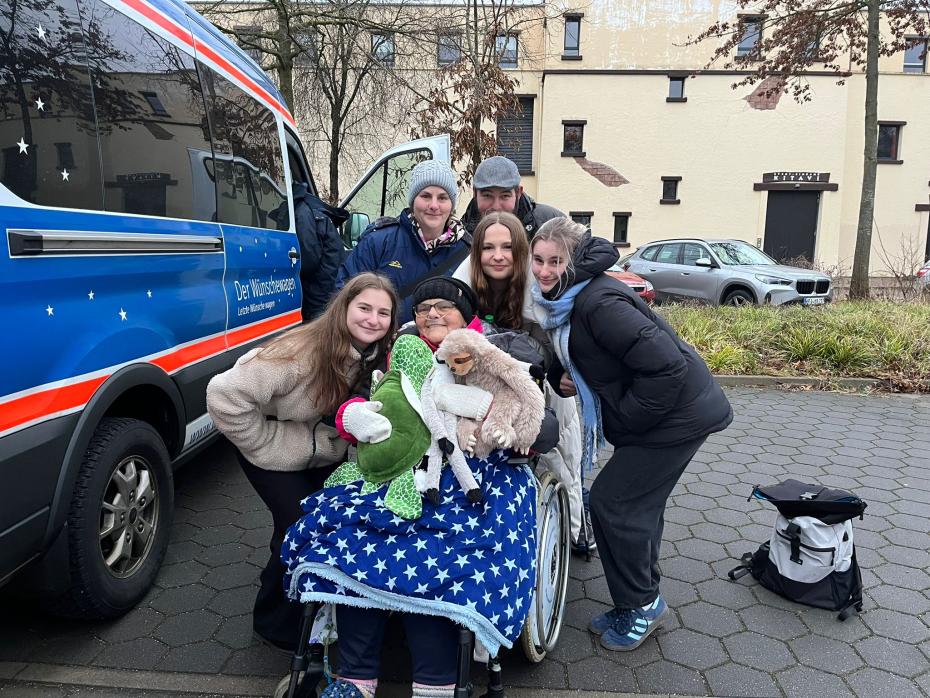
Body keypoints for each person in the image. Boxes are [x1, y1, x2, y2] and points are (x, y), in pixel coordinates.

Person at [282, 276, 541, 698]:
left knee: (439, 552)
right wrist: (355, 416)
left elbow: (538, 419)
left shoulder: (494, 350)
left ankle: (435, 684)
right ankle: (354, 678)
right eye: (423, 308)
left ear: (466, 314)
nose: (433, 314)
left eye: (444, 306)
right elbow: (366, 396)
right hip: (397, 472)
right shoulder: (401, 350)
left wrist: (501, 425)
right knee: (351, 538)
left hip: (470, 475)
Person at [528, 218, 733, 652]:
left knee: (613, 503)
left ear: (575, 262)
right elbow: (588, 356)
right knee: (638, 506)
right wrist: (564, 375)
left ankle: (643, 605)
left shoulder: (598, 303)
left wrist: (626, 416)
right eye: (539, 260)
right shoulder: (569, 299)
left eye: (555, 261)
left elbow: (667, 368)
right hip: (664, 413)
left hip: (677, 416)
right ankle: (637, 599)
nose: (544, 271)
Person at [206, 273, 398, 652]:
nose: (373, 320)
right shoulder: (300, 352)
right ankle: (278, 625)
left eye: (383, 312)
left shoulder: (377, 354)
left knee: (327, 525)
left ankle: (317, 609)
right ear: (343, 306)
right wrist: (269, 444)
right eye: (364, 308)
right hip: (269, 453)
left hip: (322, 454)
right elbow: (223, 395)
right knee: (298, 527)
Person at [458, 211, 593, 555]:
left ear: (521, 252)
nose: (498, 255)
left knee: (563, 445)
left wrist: (568, 372)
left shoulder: (539, 290)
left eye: (507, 247)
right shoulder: (466, 282)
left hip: (541, 378)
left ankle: (573, 528)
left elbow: (562, 334)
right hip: (484, 382)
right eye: (488, 247)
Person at [335, 160, 470, 324]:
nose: (434, 205)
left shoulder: (467, 252)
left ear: (451, 204)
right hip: (382, 345)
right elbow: (343, 297)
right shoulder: (379, 242)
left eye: (442, 198)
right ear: (413, 200)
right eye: (425, 196)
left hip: (446, 347)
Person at [460, 155, 563, 238]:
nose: (496, 207)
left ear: (518, 192)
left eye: (505, 196)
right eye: (487, 195)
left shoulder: (552, 226)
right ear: (475, 193)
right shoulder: (460, 237)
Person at [292, 181, 349, 321]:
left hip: (319, 294)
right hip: (327, 290)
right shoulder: (310, 208)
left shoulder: (302, 212)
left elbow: (308, 260)